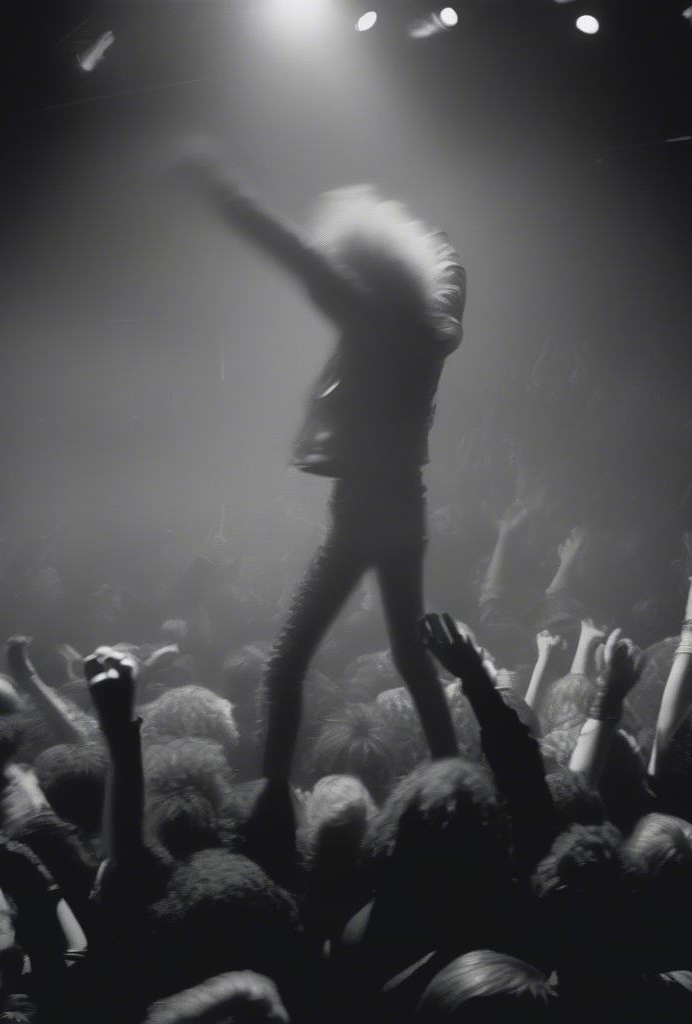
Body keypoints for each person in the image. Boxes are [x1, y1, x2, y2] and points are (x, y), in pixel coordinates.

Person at [180, 147, 465, 780]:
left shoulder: (366, 316)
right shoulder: (432, 328)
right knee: (412, 659)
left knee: (286, 663)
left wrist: (223, 189)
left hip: (362, 511)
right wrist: (432, 250)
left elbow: (289, 248)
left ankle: (274, 797)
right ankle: (455, 782)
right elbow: (447, 280)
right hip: (404, 504)